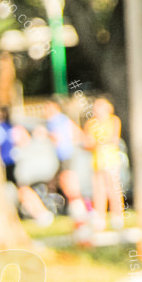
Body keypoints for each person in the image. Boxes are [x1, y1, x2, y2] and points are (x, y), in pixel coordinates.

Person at [43, 98, 88, 240]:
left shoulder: (55, 121)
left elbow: (60, 137)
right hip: (65, 156)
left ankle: (82, 214)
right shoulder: (63, 120)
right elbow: (78, 134)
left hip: (65, 156)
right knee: (67, 185)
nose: (45, 111)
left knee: (70, 187)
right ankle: (79, 215)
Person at [83, 96, 124, 232]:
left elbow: (113, 139)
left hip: (110, 159)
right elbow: (88, 142)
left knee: (114, 189)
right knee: (99, 191)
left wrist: (99, 142)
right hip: (97, 161)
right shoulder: (91, 123)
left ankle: (117, 216)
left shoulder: (113, 121)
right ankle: (99, 218)